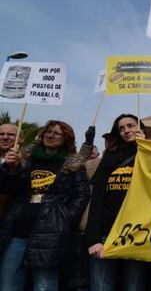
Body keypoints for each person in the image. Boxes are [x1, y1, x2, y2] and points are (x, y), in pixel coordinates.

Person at [0, 120, 90, 291]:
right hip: (17, 231)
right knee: (8, 282)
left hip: (51, 233)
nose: (51, 135)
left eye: (57, 133)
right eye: (48, 132)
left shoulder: (73, 165)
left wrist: (65, 219)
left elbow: (82, 194)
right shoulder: (25, 160)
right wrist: (10, 169)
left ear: (66, 139)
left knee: (44, 285)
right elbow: (7, 188)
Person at [86, 114, 151, 291]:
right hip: (107, 234)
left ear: (142, 129)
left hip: (138, 234)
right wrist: (93, 239)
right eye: (121, 128)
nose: (126, 131)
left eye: (131, 125)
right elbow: (98, 198)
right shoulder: (110, 157)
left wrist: (147, 146)